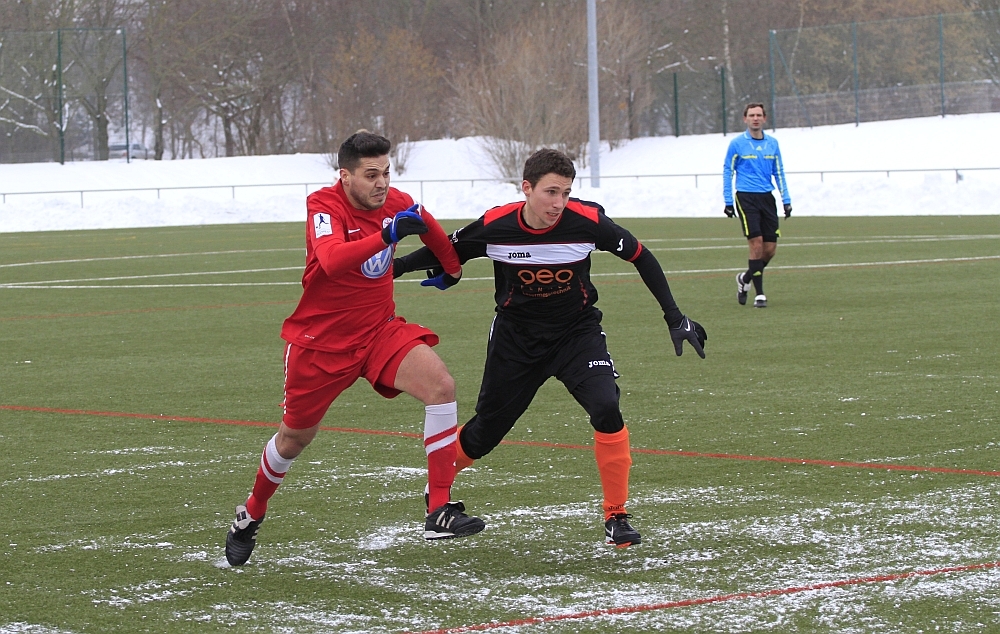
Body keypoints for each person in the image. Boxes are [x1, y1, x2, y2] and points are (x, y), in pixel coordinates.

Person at [394, 148, 706, 548]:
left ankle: (616, 515)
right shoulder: (496, 225)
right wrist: (394, 268)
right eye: (551, 192)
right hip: (517, 339)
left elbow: (641, 257)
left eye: (566, 192)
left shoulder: (588, 222)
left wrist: (674, 317)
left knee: (606, 407)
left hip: (576, 334)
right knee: (483, 435)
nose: (559, 203)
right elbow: (447, 251)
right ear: (527, 188)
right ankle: (438, 491)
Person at [225, 131, 485, 566]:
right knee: (293, 439)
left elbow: (429, 225)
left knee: (441, 386)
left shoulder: (395, 201)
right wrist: (388, 235)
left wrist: (453, 268)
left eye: (386, 172)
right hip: (320, 345)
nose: (381, 183)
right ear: (345, 176)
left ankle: (438, 508)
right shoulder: (323, 205)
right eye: (371, 175)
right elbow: (331, 260)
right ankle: (251, 513)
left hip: (378, 332)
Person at [723, 102, 792, 308]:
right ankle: (759, 294)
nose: (755, 118)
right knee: (756, 243)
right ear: (745, 119)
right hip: (746, 197)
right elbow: (727, 171)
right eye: (751, 115)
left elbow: (779, 172)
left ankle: (745, 278)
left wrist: (786, 200)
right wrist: (728, 201)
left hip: (767, 198)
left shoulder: (773, 144)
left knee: (769, 249)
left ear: (764, 118)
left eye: (759, 115)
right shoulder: (737, 144)